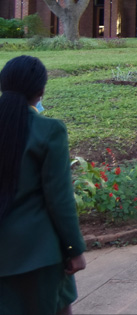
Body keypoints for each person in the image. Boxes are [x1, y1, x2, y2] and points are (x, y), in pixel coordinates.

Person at [0, 55, 86, 315]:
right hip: (39, 254)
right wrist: (74, 249)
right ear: (41, 91)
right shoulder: (49, 131)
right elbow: (59, 199)